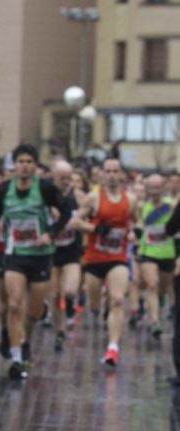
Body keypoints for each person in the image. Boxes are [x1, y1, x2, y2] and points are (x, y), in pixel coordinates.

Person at [0, 143, 72, 379]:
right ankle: (16, 357)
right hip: (15, 255)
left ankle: (25, 340)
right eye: (20, 162)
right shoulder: (4, 189)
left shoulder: (45, 188)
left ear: (35, 166)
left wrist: (50, 233)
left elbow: (66, 213)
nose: (24, 166)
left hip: (41, 257)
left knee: (33, 312)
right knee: (14, 305)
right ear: (14, 165)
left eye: (29, 162)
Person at [71, 157, 131, 368]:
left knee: (118, 299)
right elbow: (76, 221)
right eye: (108, 171)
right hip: (95, 259)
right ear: (102, 174)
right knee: (94, 306)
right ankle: (100, 308)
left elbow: (138, 221)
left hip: (118, 258)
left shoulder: (130, 199)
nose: (112, 175)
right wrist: (95, 229)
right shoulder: (94, 198)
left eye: (116, 171)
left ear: (121, 174)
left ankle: (112, 348)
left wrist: (136, 232)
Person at [48, 161, 86, 352]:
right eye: (61, 178)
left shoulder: (77, 196)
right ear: (53, 176)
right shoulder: (46, 195)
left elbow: (88, 217)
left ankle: (71, 307)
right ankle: (60, 329)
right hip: (52, 253)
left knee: (69, 291)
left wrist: (80, 223)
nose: (65, 182)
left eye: (68, 178)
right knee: (54, 295)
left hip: (72, 251)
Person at [136, 173, 174, 340]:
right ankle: (155, 322)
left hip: (167, 253)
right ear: (147, 189)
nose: (154, 191)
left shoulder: (171, 206)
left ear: (163, 188)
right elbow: (140, 225)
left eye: (158, 187)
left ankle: (158, 304)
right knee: (152, 284)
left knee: (163, 290)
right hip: (148, 252)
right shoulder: (141, 206)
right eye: (151, 188)